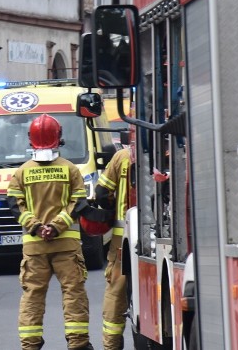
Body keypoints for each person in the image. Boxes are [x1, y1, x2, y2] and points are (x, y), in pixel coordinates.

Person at [6, 114, 93, 350]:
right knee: (73, 293)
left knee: (32, 295)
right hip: (66, 245)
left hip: (34, 247)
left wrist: (36, 227)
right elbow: (79, 202)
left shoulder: (21, 172)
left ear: (30, 139)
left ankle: (30, 344)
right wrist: (56, 226)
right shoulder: (70, 169)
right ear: (59, 137)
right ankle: (78, 343)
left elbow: (15, 205)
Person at [97, 147, 131, 350]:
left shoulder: (122, 156)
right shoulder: (174, 150)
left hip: (123, 237)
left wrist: (112, 209)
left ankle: (112, 344)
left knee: (116, 292)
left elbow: (102, 192)